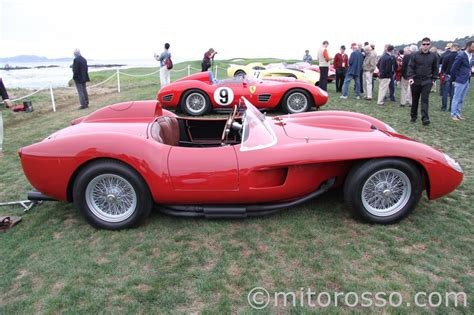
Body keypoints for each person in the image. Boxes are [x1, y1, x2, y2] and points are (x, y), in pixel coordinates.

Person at [407, 37, 439, 126]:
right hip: (416, 80)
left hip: (427, 81)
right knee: (415, 100)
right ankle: (413, 116)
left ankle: (425, 118)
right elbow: (410, 67)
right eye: (424, 44)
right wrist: (410, 77)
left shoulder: (433, 56)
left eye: (427, 44)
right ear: (421, 45)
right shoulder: (415, 55)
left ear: (430, 45)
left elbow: (435, 69)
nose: (425, 46)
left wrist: (433, 79)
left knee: (425, 100)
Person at [450, 41, 474, 121]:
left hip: (467, 80)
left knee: (461, 98)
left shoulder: (471, 55)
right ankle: (453, 114)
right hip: (460, 80)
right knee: (456, 98)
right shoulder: (461, 55)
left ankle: (458, 113)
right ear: (468, 46)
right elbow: (453, 69)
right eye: (473, 47)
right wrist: (455, 78)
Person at [440, 43, 460, 111]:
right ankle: (451, 108)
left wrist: (443, 74)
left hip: (447, 76)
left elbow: (443, 68)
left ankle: (443, 107)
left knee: (445, 93)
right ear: (457, 48)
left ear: (451, 48)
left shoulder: (446, 57)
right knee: (453, 94)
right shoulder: (459, 56)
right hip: (456, 77)